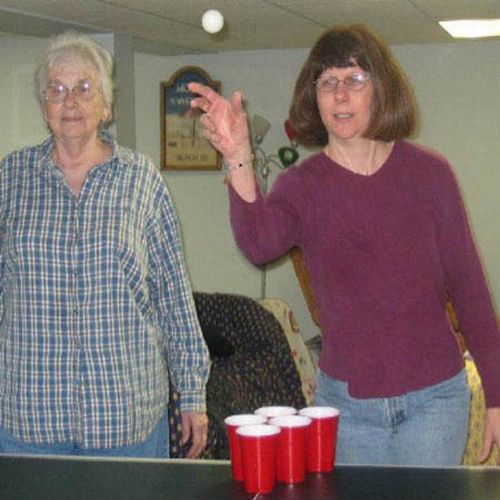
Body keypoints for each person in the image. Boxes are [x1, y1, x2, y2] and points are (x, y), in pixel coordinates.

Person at [189, 24, 500, 466]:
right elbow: (259, 244)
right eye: (328, 82)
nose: (339, 95)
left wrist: (496, 396)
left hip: (435, 402)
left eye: (354, 80)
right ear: (313, 97)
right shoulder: (302, 185)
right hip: (349, 410)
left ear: (380, 90)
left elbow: (469, 288)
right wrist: (237, 155)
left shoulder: (430, 176)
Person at [0, 32, 210, 459]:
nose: (70, 102)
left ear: (106, 105)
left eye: (83, 88)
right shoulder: (10, 178)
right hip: (29, 419)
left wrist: (193, 393)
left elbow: (172, 294)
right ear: (45, 107)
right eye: (56, 90)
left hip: (125, 417)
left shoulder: (141, 179)